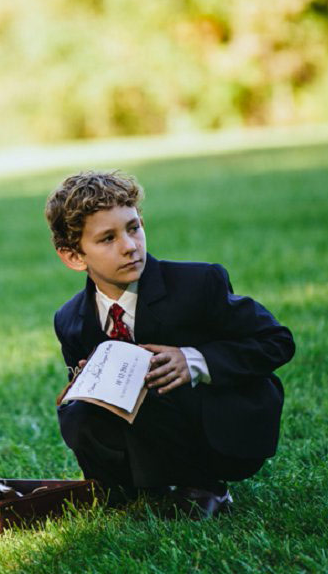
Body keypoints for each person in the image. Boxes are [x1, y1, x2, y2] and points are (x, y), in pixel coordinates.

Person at [45, 170, 295, 518]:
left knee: (158, 379)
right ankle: (125, 485)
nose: (130, 246)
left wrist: (194, 361)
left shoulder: (198, 283)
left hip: (217, 420)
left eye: (133, 228)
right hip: (146, 429)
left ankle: (206, 485)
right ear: (74, 257)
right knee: (76, 412)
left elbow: (276, 341)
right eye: (107, 239)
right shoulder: (71, 319)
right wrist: (82, 387)